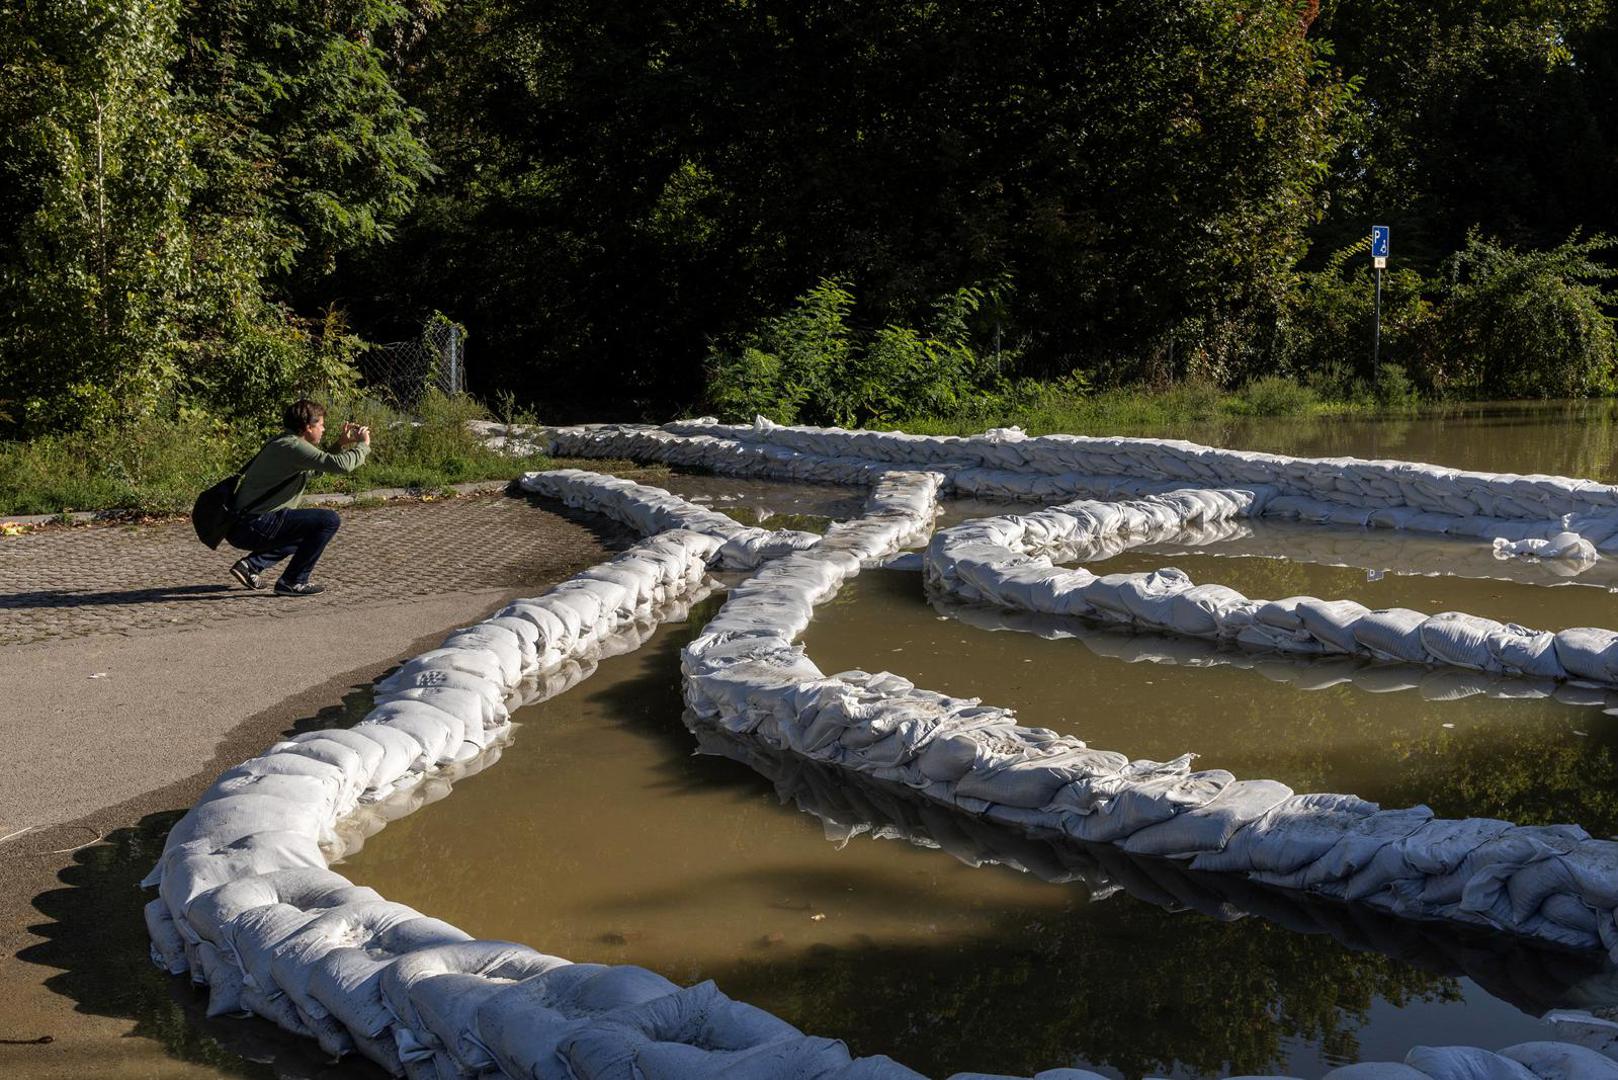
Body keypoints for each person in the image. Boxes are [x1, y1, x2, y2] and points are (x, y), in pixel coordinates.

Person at [226, 399, 371, 597]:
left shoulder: (285, 442)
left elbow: (315, 470)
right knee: (328, 521)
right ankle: (293, 581)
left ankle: (251, 565)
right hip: (254, 525)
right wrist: (363, 445)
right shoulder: (293, 446)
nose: (324, 428)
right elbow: (341, 466)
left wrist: (339, 444)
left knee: (309, 531)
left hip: (246, 525)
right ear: (307, 427)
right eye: (320, 424)